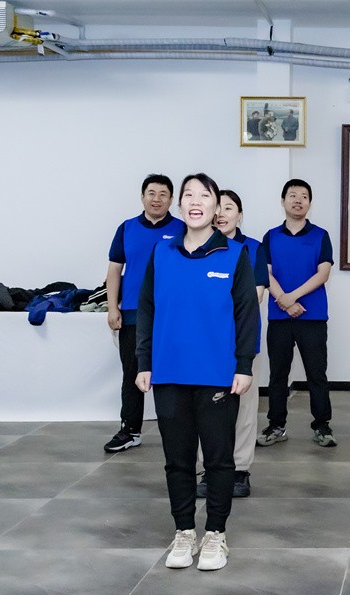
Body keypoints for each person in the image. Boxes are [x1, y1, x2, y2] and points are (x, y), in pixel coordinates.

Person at [135, 173, 258, 572]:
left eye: (204, 196)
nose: (195, 201)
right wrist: (144, 362)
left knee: (219, 460)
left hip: (217, 376)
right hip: (169, 373)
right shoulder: (162, 251)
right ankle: (184, 531)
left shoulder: (235, 254)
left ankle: (216, 534)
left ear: (216, 206)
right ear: (180, 204)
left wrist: (244, 366)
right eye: (188, 194)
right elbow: (147, 309)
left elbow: (247, 314)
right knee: (177, 460)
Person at [196, 190, 269, 499]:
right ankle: (208, 468)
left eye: (229, 208)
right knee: (206, 408)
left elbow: (255, 297)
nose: (222, 214)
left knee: (244, 407)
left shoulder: (253, 249)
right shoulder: (197, 248)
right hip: (205, 343)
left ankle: (240, 469)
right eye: (218, 207)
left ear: (240, 215)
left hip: (242, 341)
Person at [104, 174, 184, 453]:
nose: (156, 199)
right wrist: (113, 307)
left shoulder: (182, 229)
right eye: (151, 193)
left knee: (173, 373)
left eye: (163, 194)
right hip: (133, 313)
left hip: (170, 314)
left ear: (171, 200)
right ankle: (130, 430)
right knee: (132, 373)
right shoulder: (126, 228)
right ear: (142, 197)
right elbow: (114, 270)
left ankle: (177, 429)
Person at [259, 179, 337, 447]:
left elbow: (323, 273)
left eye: (304, 196)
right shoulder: (271, 236)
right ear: (283, 201)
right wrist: (284, 300)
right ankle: (276, 425)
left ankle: (322, 426)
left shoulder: (320, 235)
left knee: (317, 374)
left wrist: (291, 297)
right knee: (278, 374)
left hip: (312, 316)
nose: (298, 200)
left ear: (309, 203)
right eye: (292, 195)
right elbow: (266, 274)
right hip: (279, 317)